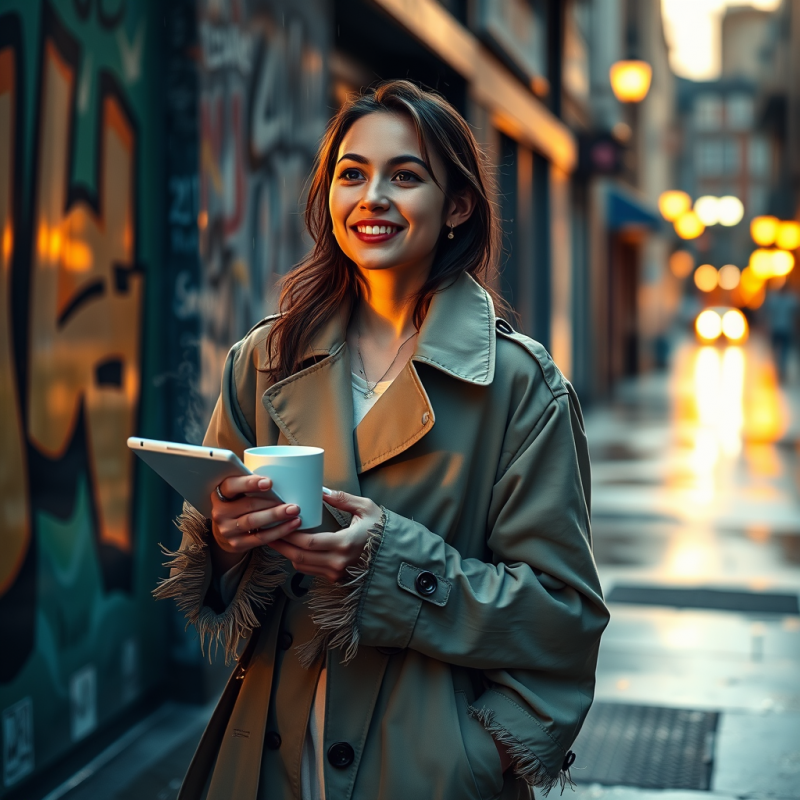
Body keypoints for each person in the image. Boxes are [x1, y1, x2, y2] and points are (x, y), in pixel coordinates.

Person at [155, 80, 609, 800]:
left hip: (423, 767)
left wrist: (481, 753)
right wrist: (226, 538)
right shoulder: (264, 359)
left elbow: (562, 615)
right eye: (352, 173)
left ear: (456, 205)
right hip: (269, 753)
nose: (372, 197)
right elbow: (214, 573)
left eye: (406, 175)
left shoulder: (522, 385)